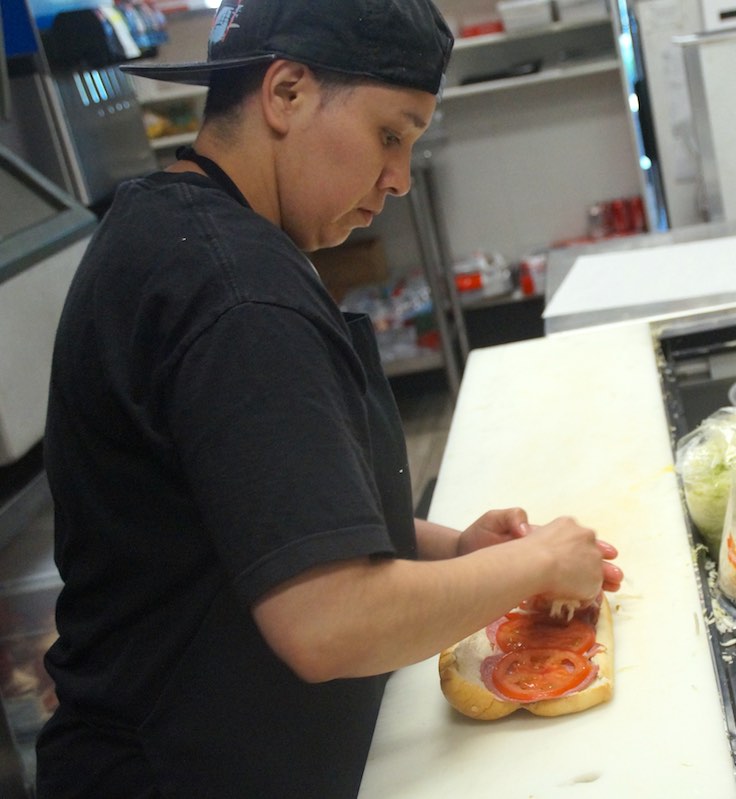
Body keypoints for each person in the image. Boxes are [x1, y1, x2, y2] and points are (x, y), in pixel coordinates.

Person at [36, 1, 623, 796]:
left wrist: (456, 552)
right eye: (390, 134)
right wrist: (536, 561)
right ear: (286, 94)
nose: (399, 179)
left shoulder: (169, 227)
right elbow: (329, 619)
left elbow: (263, 517)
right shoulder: (239, 296)